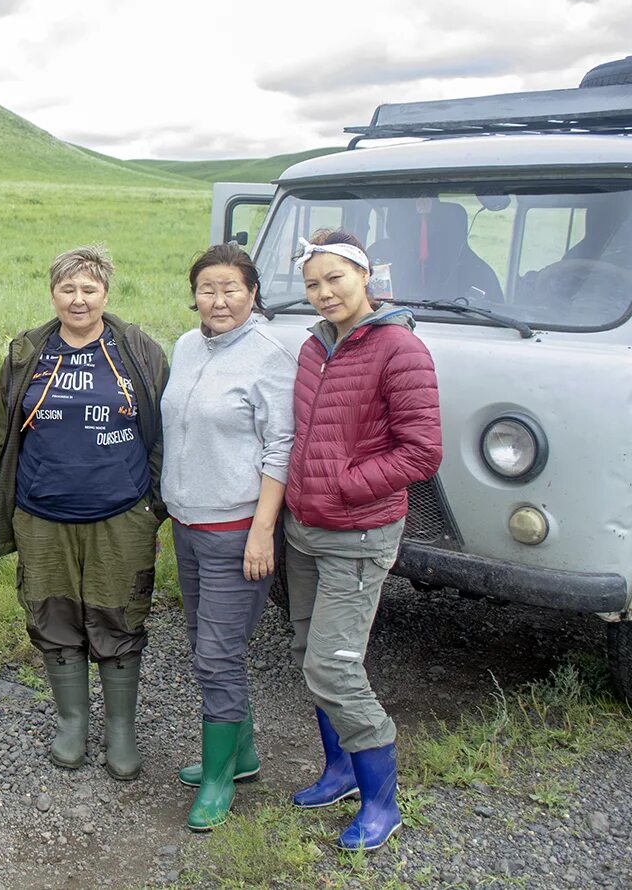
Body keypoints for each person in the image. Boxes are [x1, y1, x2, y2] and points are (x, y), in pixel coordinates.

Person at [285, 229, 442, 852]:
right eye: (313, 284)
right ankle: (342, 770)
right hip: (304, 529)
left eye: (335, 280)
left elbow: (421, 451)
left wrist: (347, 484)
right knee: (308, 653)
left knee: (335, 665)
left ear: (365, 278)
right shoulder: (312, 347)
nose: (324, 293)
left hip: (359, 530)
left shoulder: (399, 348)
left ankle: (383, 801)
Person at [0, 246, 169, 780]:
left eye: (89, 289)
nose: (78, 299)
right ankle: (71, 723)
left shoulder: (138, 351)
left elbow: (162, 432)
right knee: (53, 610)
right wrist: (12, 501)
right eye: (68, 289)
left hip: (121, 513)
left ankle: (120, 730)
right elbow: (1, 436)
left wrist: (151, 506)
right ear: (53, 294)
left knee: (119, 612)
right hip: (42, 514)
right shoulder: (28, 353)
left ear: (105, 294)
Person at [160, 243, 295, 830]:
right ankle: (240, 755)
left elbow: (280, 447)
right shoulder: (188, 346)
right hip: (188, 527)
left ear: (253, 293)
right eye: (208, 289)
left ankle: (217, 780)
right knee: (206, 645)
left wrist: (262, 530)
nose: (218, 300)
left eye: (231, 289)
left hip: (236, 529)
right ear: (194, 295)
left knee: (218, 655)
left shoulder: (270, 355)